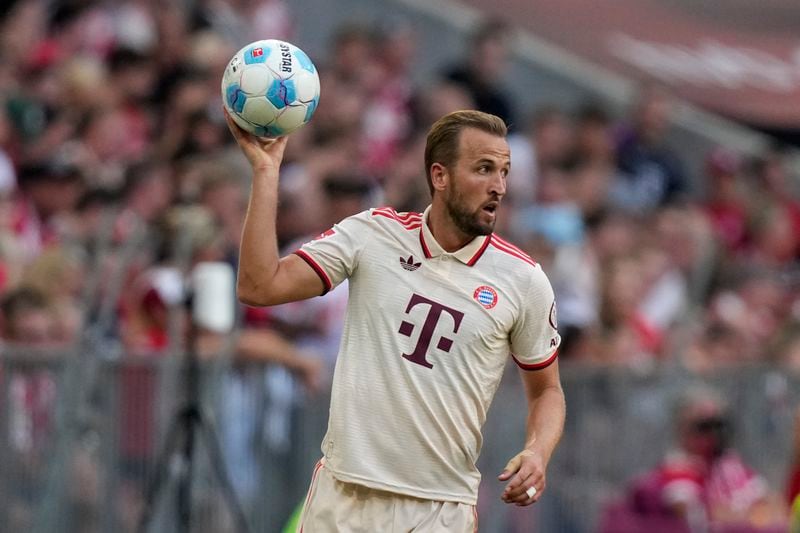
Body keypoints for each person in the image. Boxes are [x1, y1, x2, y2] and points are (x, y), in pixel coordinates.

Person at [227, 108, 565, 532]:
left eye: (504, 172)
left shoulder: (524, 280)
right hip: (342, 496)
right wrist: (265, 171)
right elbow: (260, 287)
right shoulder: (373, 234)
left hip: (436, 509)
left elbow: (547, 390)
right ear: (439, 176)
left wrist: (537, 451)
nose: (499, 186)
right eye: (484, 169)